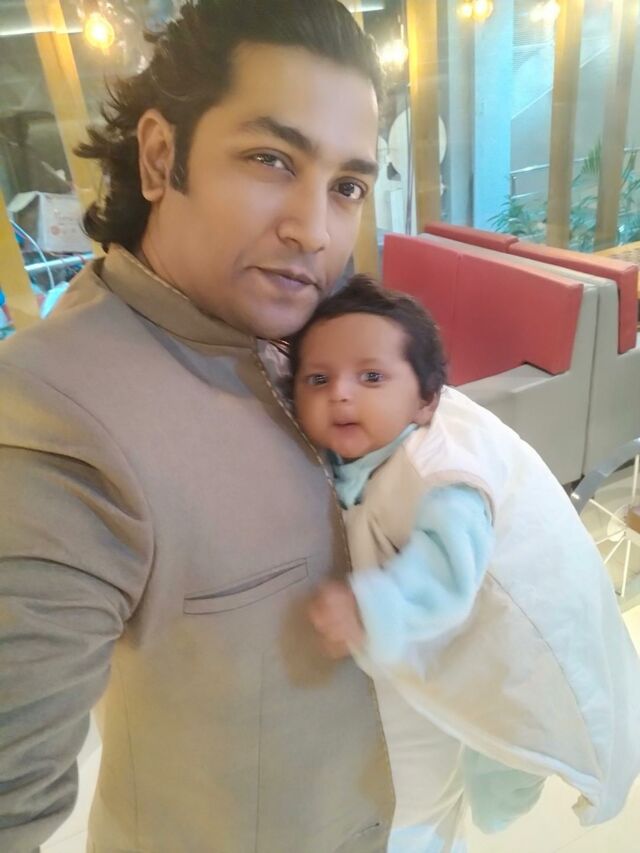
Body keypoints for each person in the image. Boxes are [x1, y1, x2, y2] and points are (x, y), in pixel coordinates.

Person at [0, 3, 397, 851]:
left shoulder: (316, 333)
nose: (313, 230)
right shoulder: (55, 414)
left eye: (347, 187)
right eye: (270, 159)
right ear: (159, 156)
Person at [291, 276, 640, 853]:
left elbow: (447, 575)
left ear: (426, 400)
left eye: (371, 377)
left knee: (499, 738)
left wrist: (370, 608)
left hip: (518, 641)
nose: (341, 395)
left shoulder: (441, 474)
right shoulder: (381, 437)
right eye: (318, 379)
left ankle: (507, 791)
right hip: (475, 636)